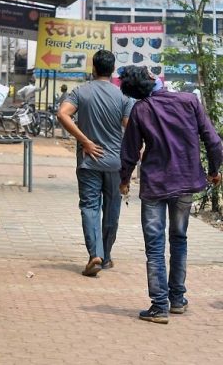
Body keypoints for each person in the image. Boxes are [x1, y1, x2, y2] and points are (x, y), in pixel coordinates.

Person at [118, 65, 222, 324]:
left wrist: (124, 180)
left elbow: (129, 151)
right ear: (150, 79)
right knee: (179, 239)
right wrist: (214, 170)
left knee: (154, 246)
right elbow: (214, 141)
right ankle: (177, 299)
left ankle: (159, 306)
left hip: (155, 185)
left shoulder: (141, 109)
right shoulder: (189, 101)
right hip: (185, 182)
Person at [57, 50, 134, 277]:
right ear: (113, 70)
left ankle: (95, 255)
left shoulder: (80, 91)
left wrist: (85, 142)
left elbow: (62, 114)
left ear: (93, 68)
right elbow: (131, 131)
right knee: (112, 210)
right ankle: (105, 256)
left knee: (90, 207)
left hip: (89, 162)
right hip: (115, 163)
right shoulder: (123, 97)